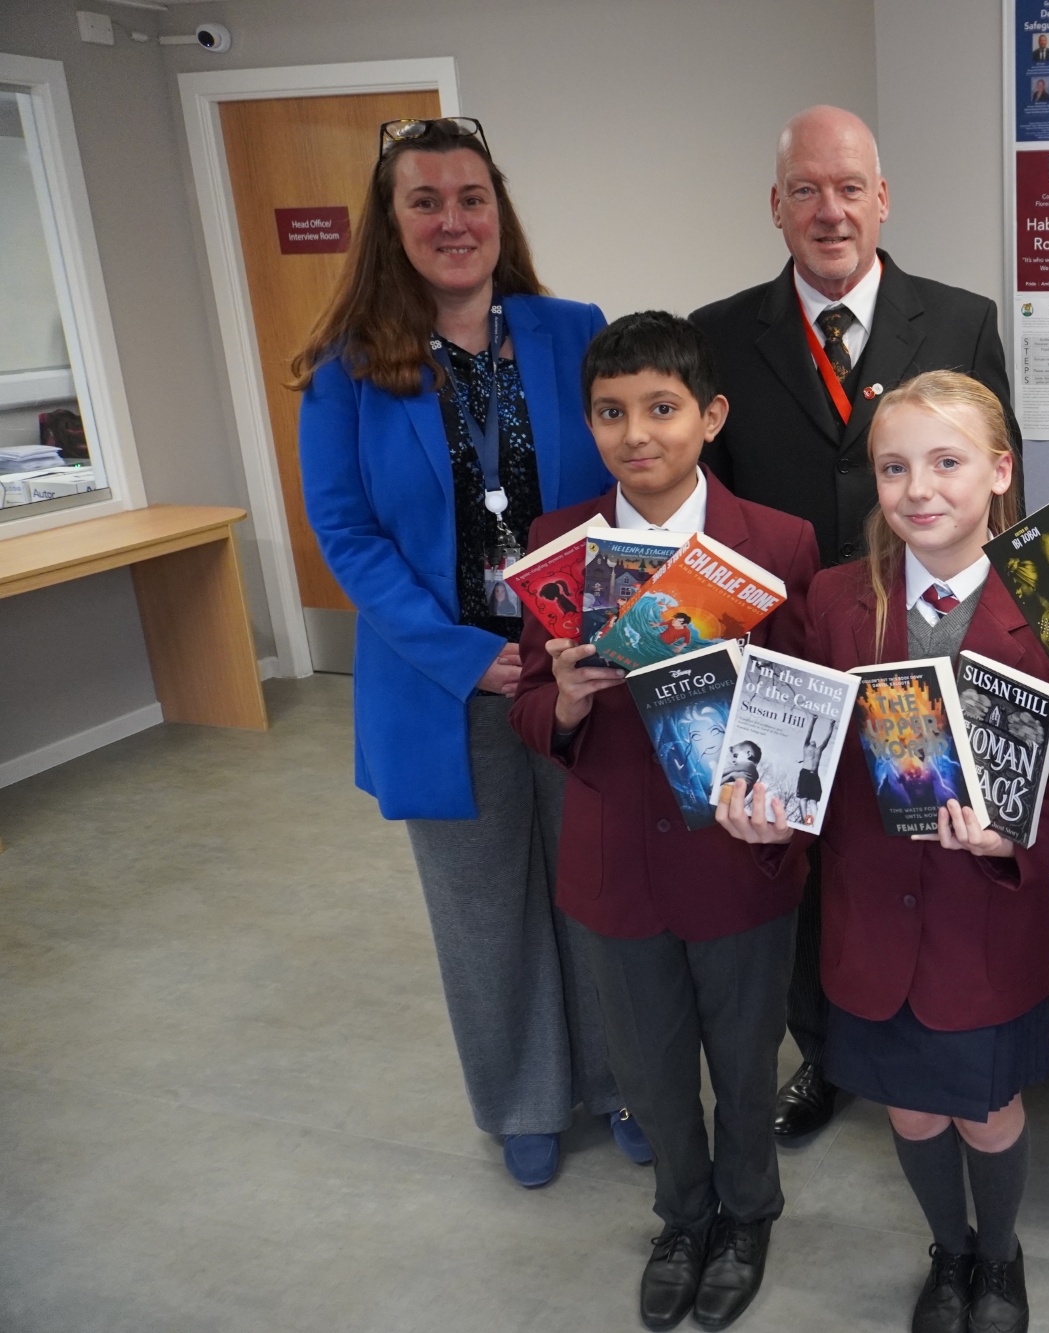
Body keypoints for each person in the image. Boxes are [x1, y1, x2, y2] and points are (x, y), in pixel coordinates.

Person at [295, 116, 637, 1188]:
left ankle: (624, 1078)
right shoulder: (344, 374)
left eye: (471, 198)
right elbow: (346, 534)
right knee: (485, 909)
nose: (454, 221)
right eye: (426, 201)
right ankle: (523, 1100)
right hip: (442, 685)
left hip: (576, 669)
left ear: (500, 212)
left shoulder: (570, 328)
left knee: (598, 885)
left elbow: (628, 475)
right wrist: (458, 652)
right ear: (389, 225)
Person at [723, 372, 1049, 1333]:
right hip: (868, 917)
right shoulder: (838, 595)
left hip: (985, 924)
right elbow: (798, 735)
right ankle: (949, 1249)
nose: (919, 488)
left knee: (986, 1110)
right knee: (913, 1112)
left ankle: (1000, 1255)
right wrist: (765, 804)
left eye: (946, 462)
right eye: (895, 467)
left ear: (1001, 472)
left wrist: (1025, 825)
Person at [693, 105, 1018, 1144]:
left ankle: (948, 1037)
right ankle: (826, 1054)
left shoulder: (960, 317)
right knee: (812, 860)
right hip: (799, 635)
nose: (828, 210)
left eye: (848, 189)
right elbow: (719, 507)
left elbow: (988, 477)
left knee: (912, 849)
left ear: (882, 199)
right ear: (775, 207)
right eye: (804, 190)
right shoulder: (716, 332)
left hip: (926, 622)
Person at [509, 311, 821, 1331]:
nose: (636, 433)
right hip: (612, 860)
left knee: (742, 1054)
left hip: (737, 856)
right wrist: (560, 694)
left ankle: (746, 1212)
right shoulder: (559, 546)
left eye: (660, 408)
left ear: (708, 414)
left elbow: (808, 700)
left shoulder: (776, 542)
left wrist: (787, 812)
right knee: (648, 1060)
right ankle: (681, 1216)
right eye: (610, 412)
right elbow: (523, 711)